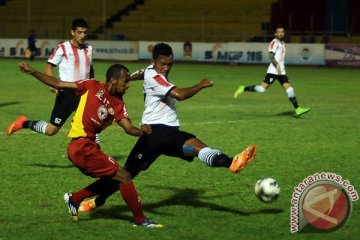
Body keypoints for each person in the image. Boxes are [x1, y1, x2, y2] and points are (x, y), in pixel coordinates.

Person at [78, 43, 257, 213]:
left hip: (169, 134)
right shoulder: (154, 77)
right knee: (126, 173)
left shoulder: (150, 71)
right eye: (163, 64)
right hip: (154, 135)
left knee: (197, 147)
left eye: (169, 64)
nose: (166, 68)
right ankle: (92, 200)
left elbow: (142, 72)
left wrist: (129, 77)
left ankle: (231, 163)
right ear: (154, 61)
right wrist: (200, 85)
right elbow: (179, 95)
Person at [16, 61, 163, 227]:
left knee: (115, 179)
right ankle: (140, 220)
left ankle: (75, 198)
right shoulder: (91, 85)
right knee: (125, 176)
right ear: (114, 80)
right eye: (125, 81)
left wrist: (142, 131)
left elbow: (128, 127)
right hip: (80, 146)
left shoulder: (118, 103)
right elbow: (58, 83)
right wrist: (32, 71)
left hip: (89, 146)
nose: (128, 85)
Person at [7, 18, 100, 144]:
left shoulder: (89, 48)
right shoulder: (63, 48)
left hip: (84, 93)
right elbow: (48, 66)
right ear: (73, 32)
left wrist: (92, 84)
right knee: (51, 130)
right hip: (66, 93)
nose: (82, 35)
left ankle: (96, 157)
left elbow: (90, 68)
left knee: (91, 124)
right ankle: (23, 123)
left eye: (85, 32)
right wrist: (53, 85)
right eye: (79, 32)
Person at [234, 25, 310, 117]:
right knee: (262, 89)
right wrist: (276, 65)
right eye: (279, 32)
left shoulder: (283, 43)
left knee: (290, 89)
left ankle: (298, 109)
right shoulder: (274, 42)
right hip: (273, 70)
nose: (281, 33)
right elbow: (270, 55)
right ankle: (243, 88)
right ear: (275, 33)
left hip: (281, 71)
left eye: (282, 32)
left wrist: (280, 67)